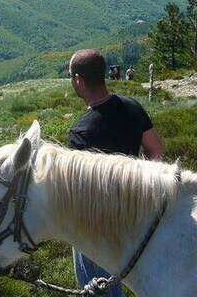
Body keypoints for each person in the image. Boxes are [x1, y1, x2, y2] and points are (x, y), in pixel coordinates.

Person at [66, 49, 164, 296]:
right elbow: (155, 151)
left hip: (99, 227)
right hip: (136, 211)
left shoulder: (81, 133)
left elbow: (79, 195)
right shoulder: (132, 107)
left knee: (100, 288)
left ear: (78, 80)